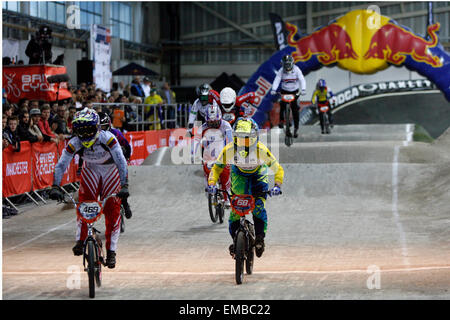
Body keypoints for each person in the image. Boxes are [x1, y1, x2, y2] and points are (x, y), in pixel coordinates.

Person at [48, 109, 129, 269]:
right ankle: (80, 239)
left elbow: (121, 161)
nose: (84, 134)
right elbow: (61, 164)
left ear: (97, 127)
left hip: (110, 169)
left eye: (88, 129)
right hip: (90, 168)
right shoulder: (75, 142)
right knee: (84, 206)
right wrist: (55, 185)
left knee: (112, 210)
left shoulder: (109, 138)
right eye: (81, 130)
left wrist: (125, 184)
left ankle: (111, 250)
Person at [207, 118, 284, 258]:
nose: (244, 143)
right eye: (240, 139)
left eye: (248, 139)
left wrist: (277, 186)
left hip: (258, 175)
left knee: (258, 208)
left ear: (255, 138)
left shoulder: (261, 149)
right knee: (236, 211)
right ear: (235, 138)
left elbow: (278, 169)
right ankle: (236, 240)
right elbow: (216, 168)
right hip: (239, 175)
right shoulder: (229, 149)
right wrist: (212, 183)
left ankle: (260, 238)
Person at [193, 104, 233, 206]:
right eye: (210, 122)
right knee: (207, 173)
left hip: (222, 154)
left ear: (220, 117)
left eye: (215, 122)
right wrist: (193, 154)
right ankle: (209, 185)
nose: (213, 124)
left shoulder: (226, 125)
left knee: (225, 175)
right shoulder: (202, 127)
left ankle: (227, 194)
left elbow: (231, 140)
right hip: (209, 157)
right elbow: (196, 141)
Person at [271, 54, 307, 138]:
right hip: (284, 91)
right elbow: (277, 80)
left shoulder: (297, 69)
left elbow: (302, 79)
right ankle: (281, 120)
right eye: (285, 64)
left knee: (295, 110)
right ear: (283, 64)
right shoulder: (281, 71)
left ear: (292, 63)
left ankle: (296, 128)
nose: (287, 66)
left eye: (288, 64)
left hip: (295, 91)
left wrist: (304, 89)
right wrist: (273, 89)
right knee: (282, 105)